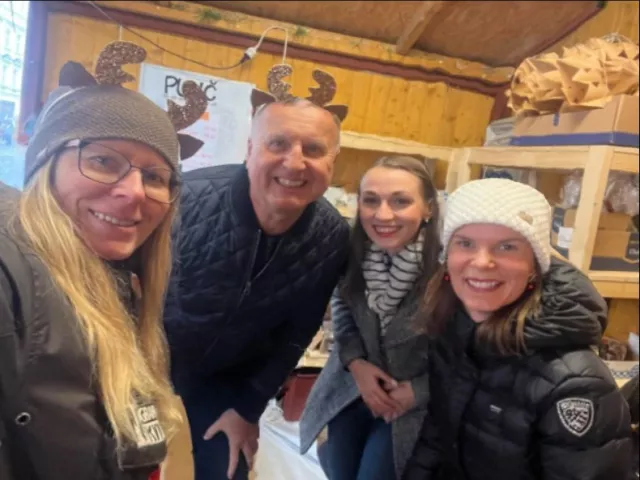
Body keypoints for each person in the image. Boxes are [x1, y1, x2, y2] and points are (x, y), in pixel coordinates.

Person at [0, 41, 207, 479]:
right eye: (102, 160)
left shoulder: (119, 281)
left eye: (154, 176)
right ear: (46, 165)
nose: (133, 192)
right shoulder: (11, 272)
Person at [163, 69, 351, 480]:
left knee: (227, 469)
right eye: (277, 144)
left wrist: (247, 409)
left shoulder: (332, 236)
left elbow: (296, 333)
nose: (295, 162)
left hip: (223, 384)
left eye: (314, 149)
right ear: (250, 149)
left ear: (332, 162)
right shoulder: (181, 200)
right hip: (144, 368)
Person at [402, 178, 633, 480]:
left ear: (535, 266)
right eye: (465, 243)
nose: (482, 262)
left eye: (507, 247)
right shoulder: (454, 334)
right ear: (447, 258)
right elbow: (437, 439)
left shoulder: (573, 382)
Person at [299, 156, 441, 480]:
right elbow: (343, 306)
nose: (383, 214)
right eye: (371, 200)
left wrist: (420, 390)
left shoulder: (449, 267)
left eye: (401, 201)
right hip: (353, 390)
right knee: (338, 467)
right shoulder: (353, 253)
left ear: (428, 208)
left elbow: (470, 352)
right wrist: (355, 363)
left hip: (415, 405)